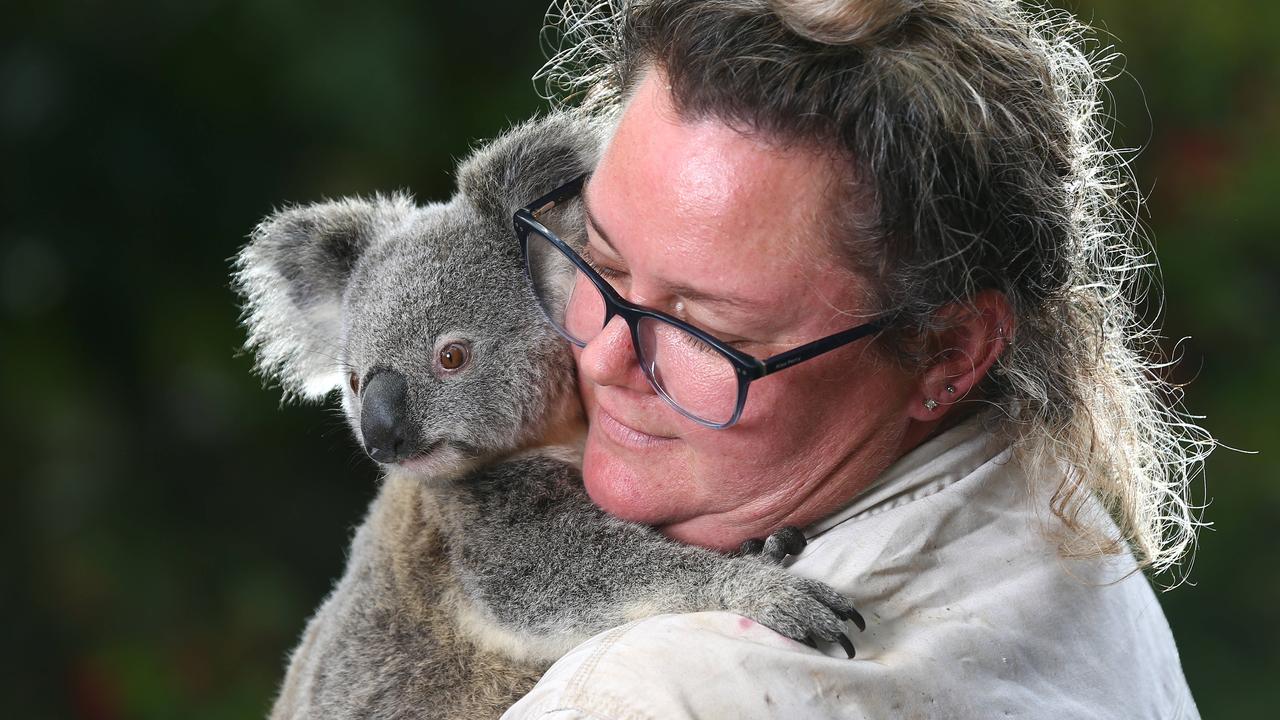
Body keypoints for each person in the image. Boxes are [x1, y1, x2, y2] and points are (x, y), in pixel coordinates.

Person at [504, 0, 1213, 717]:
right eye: (598, 262)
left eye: (706, 331)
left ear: (949, 351)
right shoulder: (1063, 530)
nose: (602, 357)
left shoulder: (647, 697)